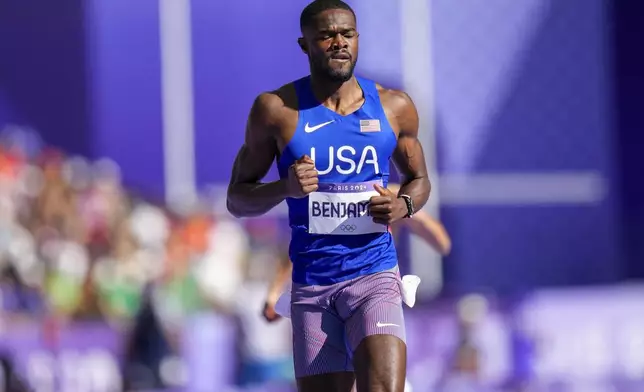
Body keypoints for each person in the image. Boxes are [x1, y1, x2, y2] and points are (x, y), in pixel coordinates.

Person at [226, 1, 431, 390]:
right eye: (326, 35)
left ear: (357, 39)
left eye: (347, 34)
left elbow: (419, 179)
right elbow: (237, 200)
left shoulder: (394, 107)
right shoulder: (276, 111)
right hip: (313, 287)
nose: (339, 43)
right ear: (305, 45)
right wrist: (284, 187)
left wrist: (402, 205)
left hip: (374, 276)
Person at [262, 183, 451, 323]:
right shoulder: (326, 194)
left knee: (378, 367)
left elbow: (442, 243)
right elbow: (300, 250)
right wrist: (274, 294)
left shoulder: (383, 194)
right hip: (330, 298)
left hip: (375, 295)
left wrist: (405, 207)